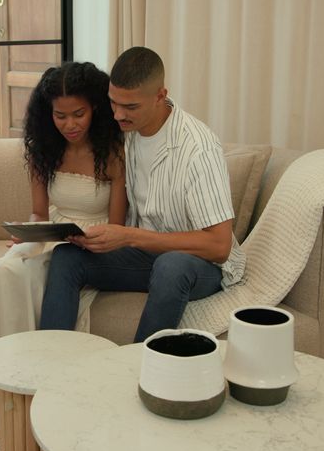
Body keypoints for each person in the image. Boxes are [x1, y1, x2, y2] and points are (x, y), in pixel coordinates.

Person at [0, 61, 126, 443]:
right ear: (48, 114)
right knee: (5, 274)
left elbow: (117, 224)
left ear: (96, 109)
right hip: (47, 237)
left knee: (28, 276)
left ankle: (17, 385)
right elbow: (39, 212)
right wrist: (29, 232)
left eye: (79, 114)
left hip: (91, 246)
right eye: (60, 116)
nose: (70, 124)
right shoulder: (43, 149)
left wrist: (91, 239)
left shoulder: (114, 153)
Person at [38, 46, 245, 343]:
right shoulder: (124, 131)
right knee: (67, 258)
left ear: (160, 95)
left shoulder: (197, 148)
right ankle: (49, 368)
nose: (118, 115)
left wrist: (128, 236)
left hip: (200, 266)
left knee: (171, 265)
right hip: (147, 257)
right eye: (113, 103)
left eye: (130, 107)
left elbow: (219, 246)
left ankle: (137, 371)